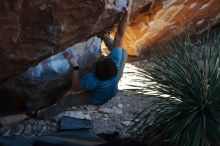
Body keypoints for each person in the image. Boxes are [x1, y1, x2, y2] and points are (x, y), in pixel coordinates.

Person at [36, 0, 132, 119]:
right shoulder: (115, 62)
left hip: (97, 98)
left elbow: (75, 87)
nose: (103, 57)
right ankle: (103, 36)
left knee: (65, 102)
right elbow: (120, 34)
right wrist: (128, 12)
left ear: (95, 69)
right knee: (123, 53)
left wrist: (75, 65)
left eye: (101, 58)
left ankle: (41, 116)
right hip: (113, 83)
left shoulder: (91, 80)